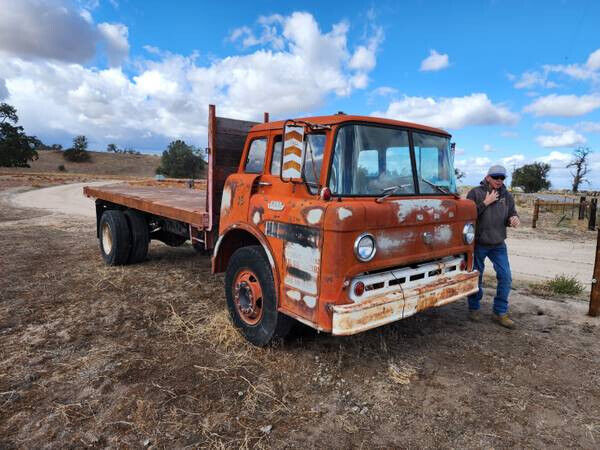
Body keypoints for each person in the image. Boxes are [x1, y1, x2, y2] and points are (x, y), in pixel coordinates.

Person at [466, 165, 520, 329]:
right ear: (488, 177)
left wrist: (513, 219)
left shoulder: (507, 196)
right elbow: (468, 216)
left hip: (498, 244)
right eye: (496, 177)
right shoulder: (475, 193)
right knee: (477, 277)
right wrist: (485, 203)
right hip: (478, 244)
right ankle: (474, 308)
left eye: (502, 178)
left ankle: (500, 312)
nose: (499, 180)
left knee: (506, 277)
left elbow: (512, 213)